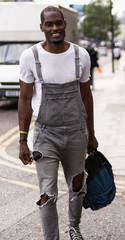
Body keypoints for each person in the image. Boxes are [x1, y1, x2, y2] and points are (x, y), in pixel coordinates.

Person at [18, 6, 98, 240]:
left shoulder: (80, 55)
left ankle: (74, 226)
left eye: (58, 23)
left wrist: (90, 133)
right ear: (42, 27)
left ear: (65, 24)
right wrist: (23, 140)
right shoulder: (30, 56)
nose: (54, 28)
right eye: (49, 24)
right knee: (47, 193)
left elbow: (86, 96)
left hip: (75, 132)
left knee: (77, 185)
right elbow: (24, 99)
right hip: (45, 134)